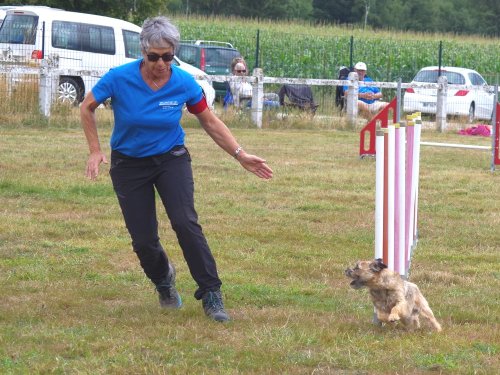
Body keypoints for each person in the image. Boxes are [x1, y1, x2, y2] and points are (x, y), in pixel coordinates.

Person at [80, 16, 273, 323]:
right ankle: (163, 280)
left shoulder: (183, 82)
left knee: (185, 222)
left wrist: (240, 154)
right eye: (154, 56)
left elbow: (209, 120)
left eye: (167, 56)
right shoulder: (119, 78)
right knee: (143, 240)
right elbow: (87, 106)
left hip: (171, 159)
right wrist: (95, 150)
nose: (160, 63)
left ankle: (211, 292)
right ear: (143, 51)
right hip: (129, 165)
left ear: (174, 54)